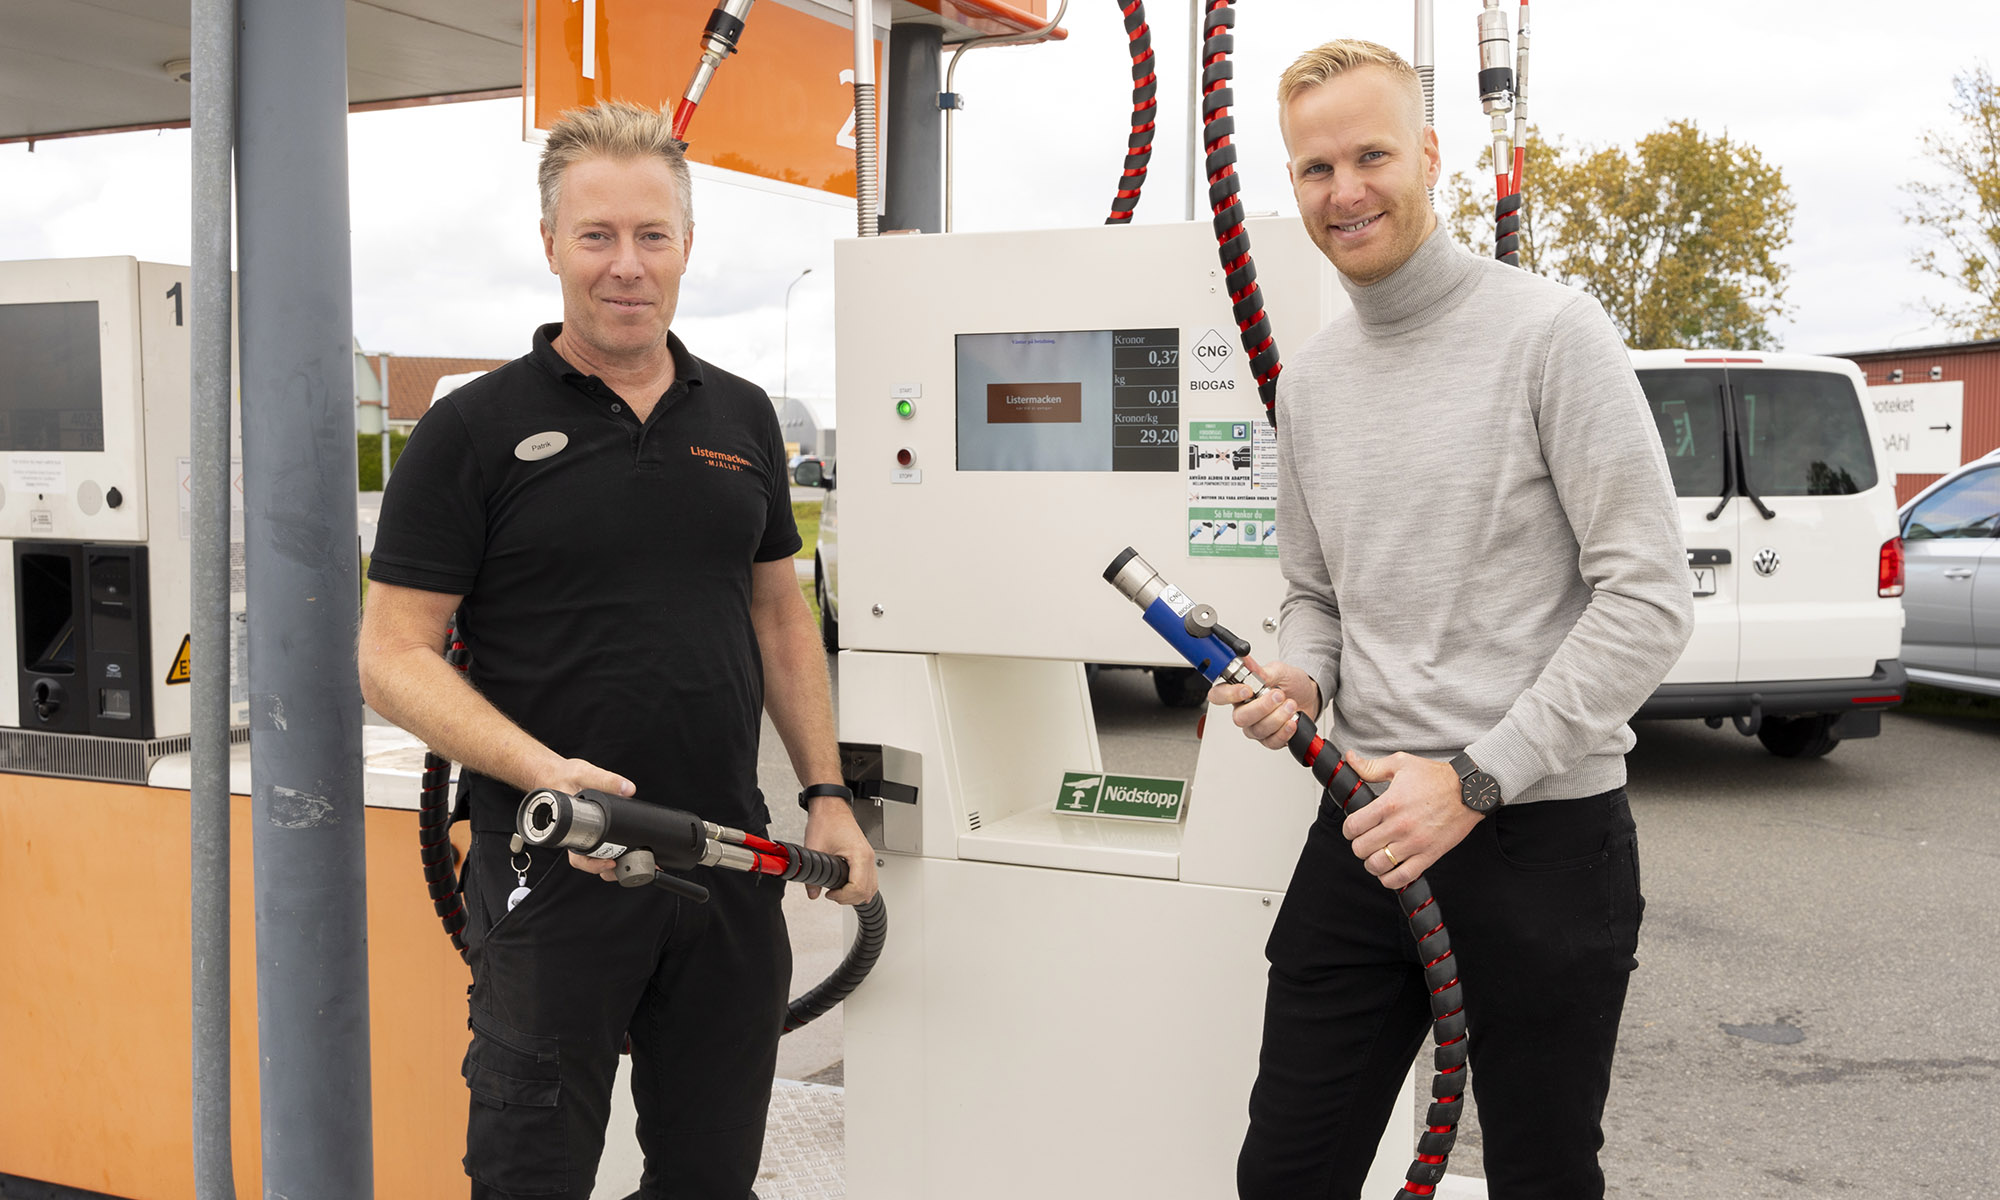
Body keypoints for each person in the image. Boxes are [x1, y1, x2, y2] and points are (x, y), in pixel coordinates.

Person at [357, 99, 877, 1200]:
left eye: (651, 235)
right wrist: (546, 774)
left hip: (725, 868)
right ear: (550, 245)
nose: (624, 265)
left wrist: (827, 792)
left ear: (687, 244)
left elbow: (778, 616)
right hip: (553, 869)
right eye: (596, 236)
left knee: (707, 1177)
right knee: (529, 1175)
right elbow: (391, 655)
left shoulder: (738, 419)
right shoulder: (472, 431)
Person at [1212, 41, 1695, 1200]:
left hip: (1537, 834)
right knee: (1285, 1172)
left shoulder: (1549, 335)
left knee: (1536, 1172)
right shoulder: (1310, 383)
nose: (1345, 190)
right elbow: (1316, 592)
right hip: (1367, 824)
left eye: (1371, 154)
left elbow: (1648, 598)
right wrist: (1306, 684)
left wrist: (1474, 779)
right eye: (1315, 166)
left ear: (1428, 156)